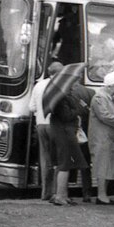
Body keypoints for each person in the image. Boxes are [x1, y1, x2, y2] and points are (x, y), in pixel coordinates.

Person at [46, 75, 89, 206]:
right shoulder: (61, 99)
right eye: (70, 85)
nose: (72, 88)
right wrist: (79, 110)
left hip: (63, 132)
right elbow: (66, 116)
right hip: (64, 133)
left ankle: (62, 195)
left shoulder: (61, 98)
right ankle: (60, 196)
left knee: (64, 163)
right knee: (64, 164)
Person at [88, 70, 114, 204]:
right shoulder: (100, 98)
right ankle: (101, 195)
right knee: (102, 165)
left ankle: (102, 194)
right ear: (109, 85)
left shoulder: (107, 98)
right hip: (101, 137)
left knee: (106, 165)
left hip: (107, 137)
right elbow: (104, 116)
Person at [29, 61, 63, 200]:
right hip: (54, 125)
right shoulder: (59, 86)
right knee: (58, 159)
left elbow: (31, 107)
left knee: (45, 158)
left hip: (40, 124)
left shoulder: (38, 85)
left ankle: (45, 192)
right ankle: (55, 192)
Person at [69, 77, 96, 201]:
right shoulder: (90, 92)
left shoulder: (68, 93)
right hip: (85, 130)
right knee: (85, 163)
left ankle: (66, 191)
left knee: (68, 160)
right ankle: (87, 193)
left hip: (71, 128)